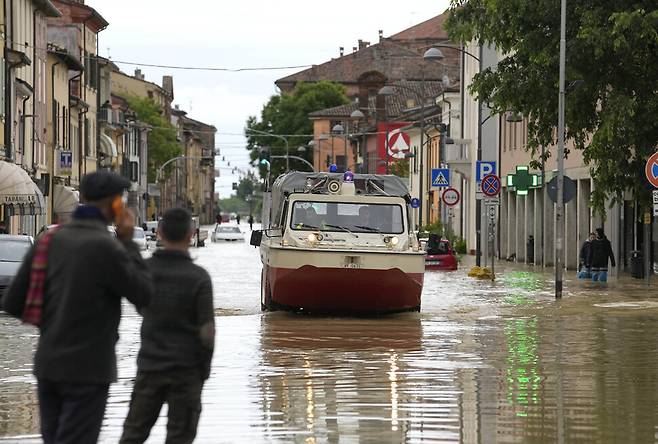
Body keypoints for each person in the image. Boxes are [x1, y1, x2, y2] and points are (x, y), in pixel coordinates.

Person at [2, 171, 154, 444]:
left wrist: (53, 324)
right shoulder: (108, 247)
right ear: (114, 204)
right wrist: (129, 242)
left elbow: (13, 302)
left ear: (82, 198)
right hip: (89, 369)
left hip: (48, 364)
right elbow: (145, 296)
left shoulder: (48, 241)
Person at [120, 208, 215, 444]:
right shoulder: (199, 277)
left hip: (150, 367)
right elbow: (207, 332)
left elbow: (135, 298)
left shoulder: (146, 270)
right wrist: (203, 369)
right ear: (191, 234)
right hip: (187, 371)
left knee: (133, 434)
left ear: (159, 233)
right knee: (179, 437)